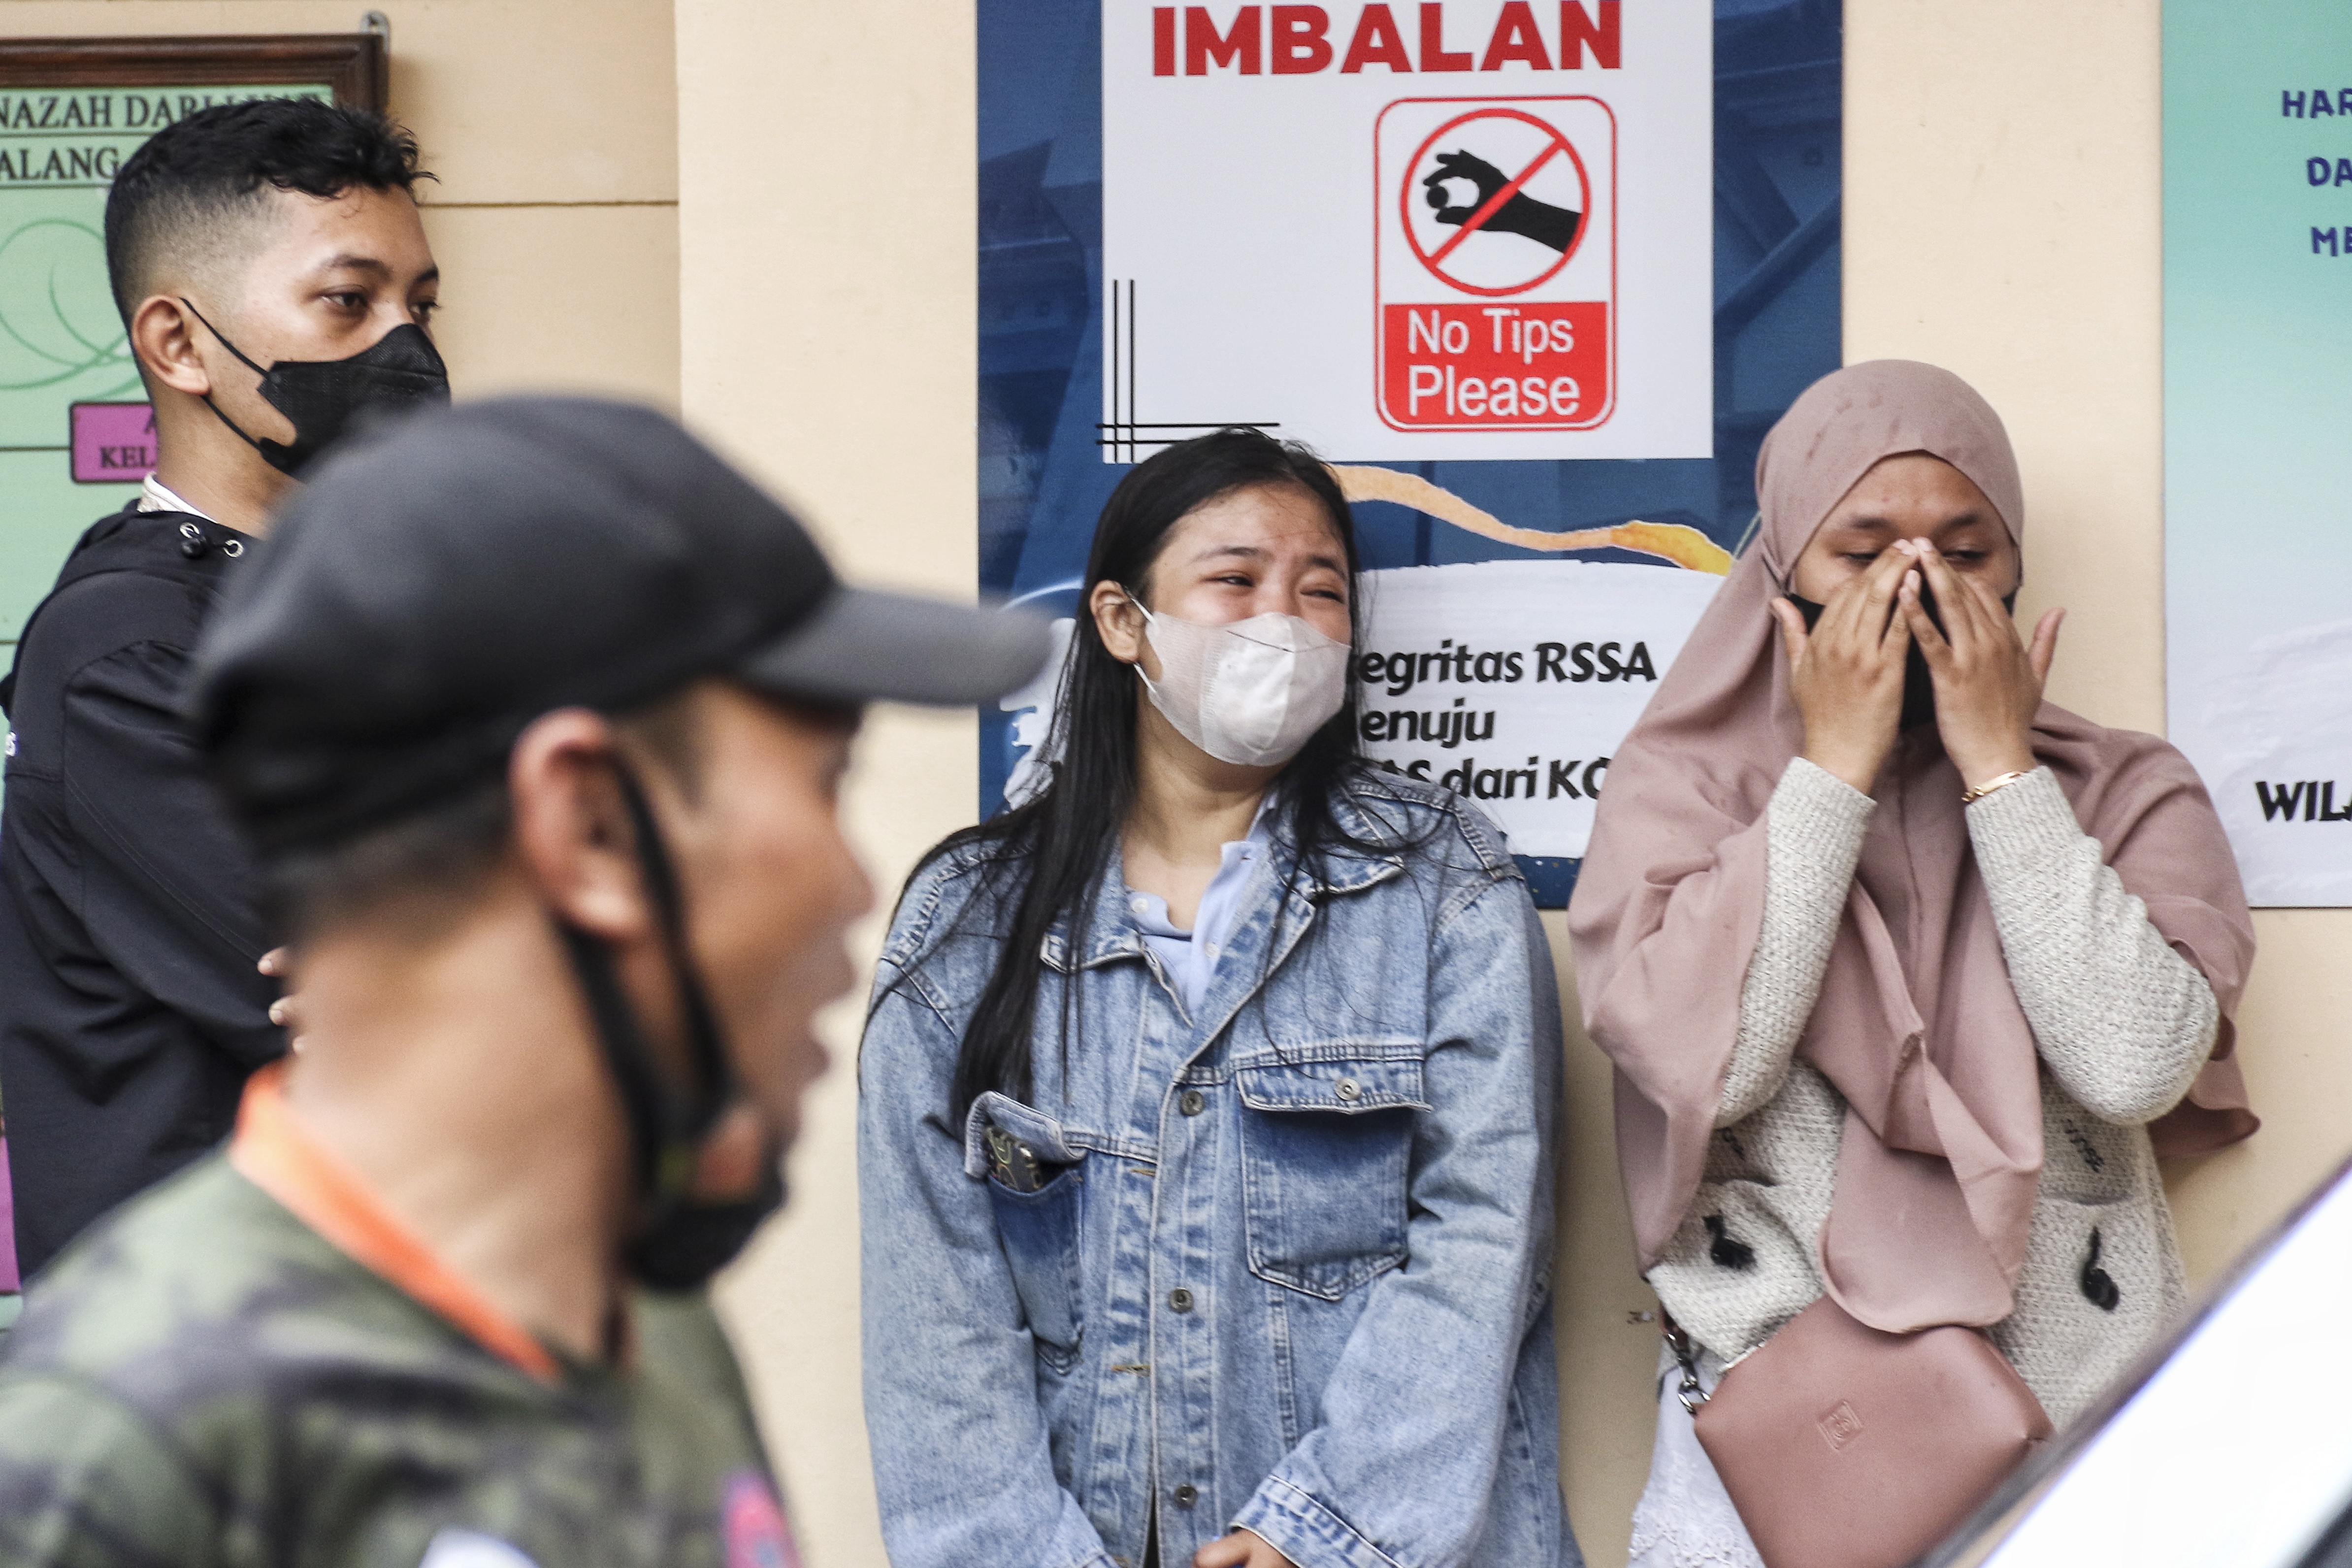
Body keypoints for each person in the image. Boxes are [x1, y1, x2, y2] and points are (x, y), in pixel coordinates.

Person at [0, 396, 1050, 1566]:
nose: (856, 885)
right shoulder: (127, 1444)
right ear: (586, 821)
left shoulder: (643, 1317)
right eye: (818, 782)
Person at [1567, 360, 2259, 1567]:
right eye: (1863, 548)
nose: (1918, 581)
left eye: (1965, 547)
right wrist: (1829, 777)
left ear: (2016, 569)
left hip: (2087, 1447)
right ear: (1783, 574)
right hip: (1792, 1457)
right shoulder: (1683, 793)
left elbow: (2135, 1061)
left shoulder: (2128, 790)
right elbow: (1705, 1070)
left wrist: (2006, 773)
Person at [859, 428, 1580, 1568]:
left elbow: (1489, 1240)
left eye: (1321, 589)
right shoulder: (965, 924)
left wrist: (1318, 1534)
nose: (1283, 622)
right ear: (1121, 620)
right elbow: (933, 1330)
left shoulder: (1443, 882)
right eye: (1235, 580)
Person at [0, 96, 448, 1276]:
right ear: (180, 344)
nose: (408, 350)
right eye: (348, 303)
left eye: (421, 305)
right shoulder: (130, 653)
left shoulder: (382, 617)